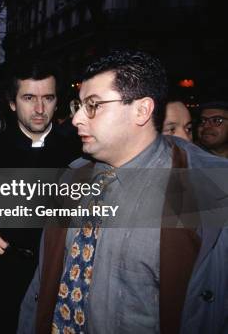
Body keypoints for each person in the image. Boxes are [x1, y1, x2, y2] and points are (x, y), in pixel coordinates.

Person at [18, 50, 228, 334]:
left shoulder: (207, 191)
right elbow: (42, 283)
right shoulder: (72, 178)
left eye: (93, 105)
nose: (78, 118)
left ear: (141, 110)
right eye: (78, 105)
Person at [0, 61, 81, 333]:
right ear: (11, 103)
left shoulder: (81, 151)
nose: (40, 109)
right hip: (0, 283)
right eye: (29, 98)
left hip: (63, 281)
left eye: (48, 98)